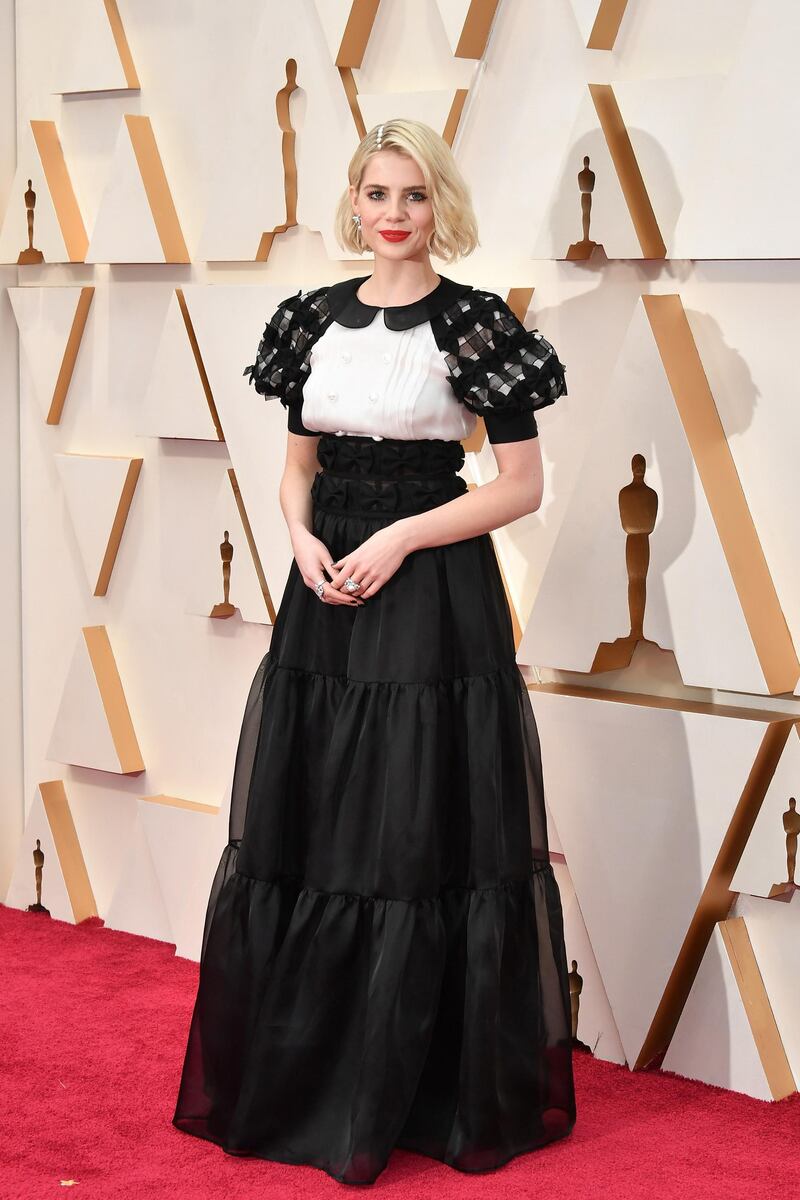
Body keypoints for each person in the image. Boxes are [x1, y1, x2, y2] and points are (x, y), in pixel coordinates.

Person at [172, 117, 576, 1186]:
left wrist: (398, 536)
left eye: (411, 195)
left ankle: (418, 1080)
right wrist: (301, 540)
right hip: (323, 590)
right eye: (374, 194)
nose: (392, 215)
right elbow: (295, 465)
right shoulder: (307, 317)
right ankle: (314, 1068)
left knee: (409, 832)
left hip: (430, 591)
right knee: (318, 820)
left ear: (440, 204)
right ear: (350, 202)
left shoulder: (479, 325)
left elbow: (520, 485)